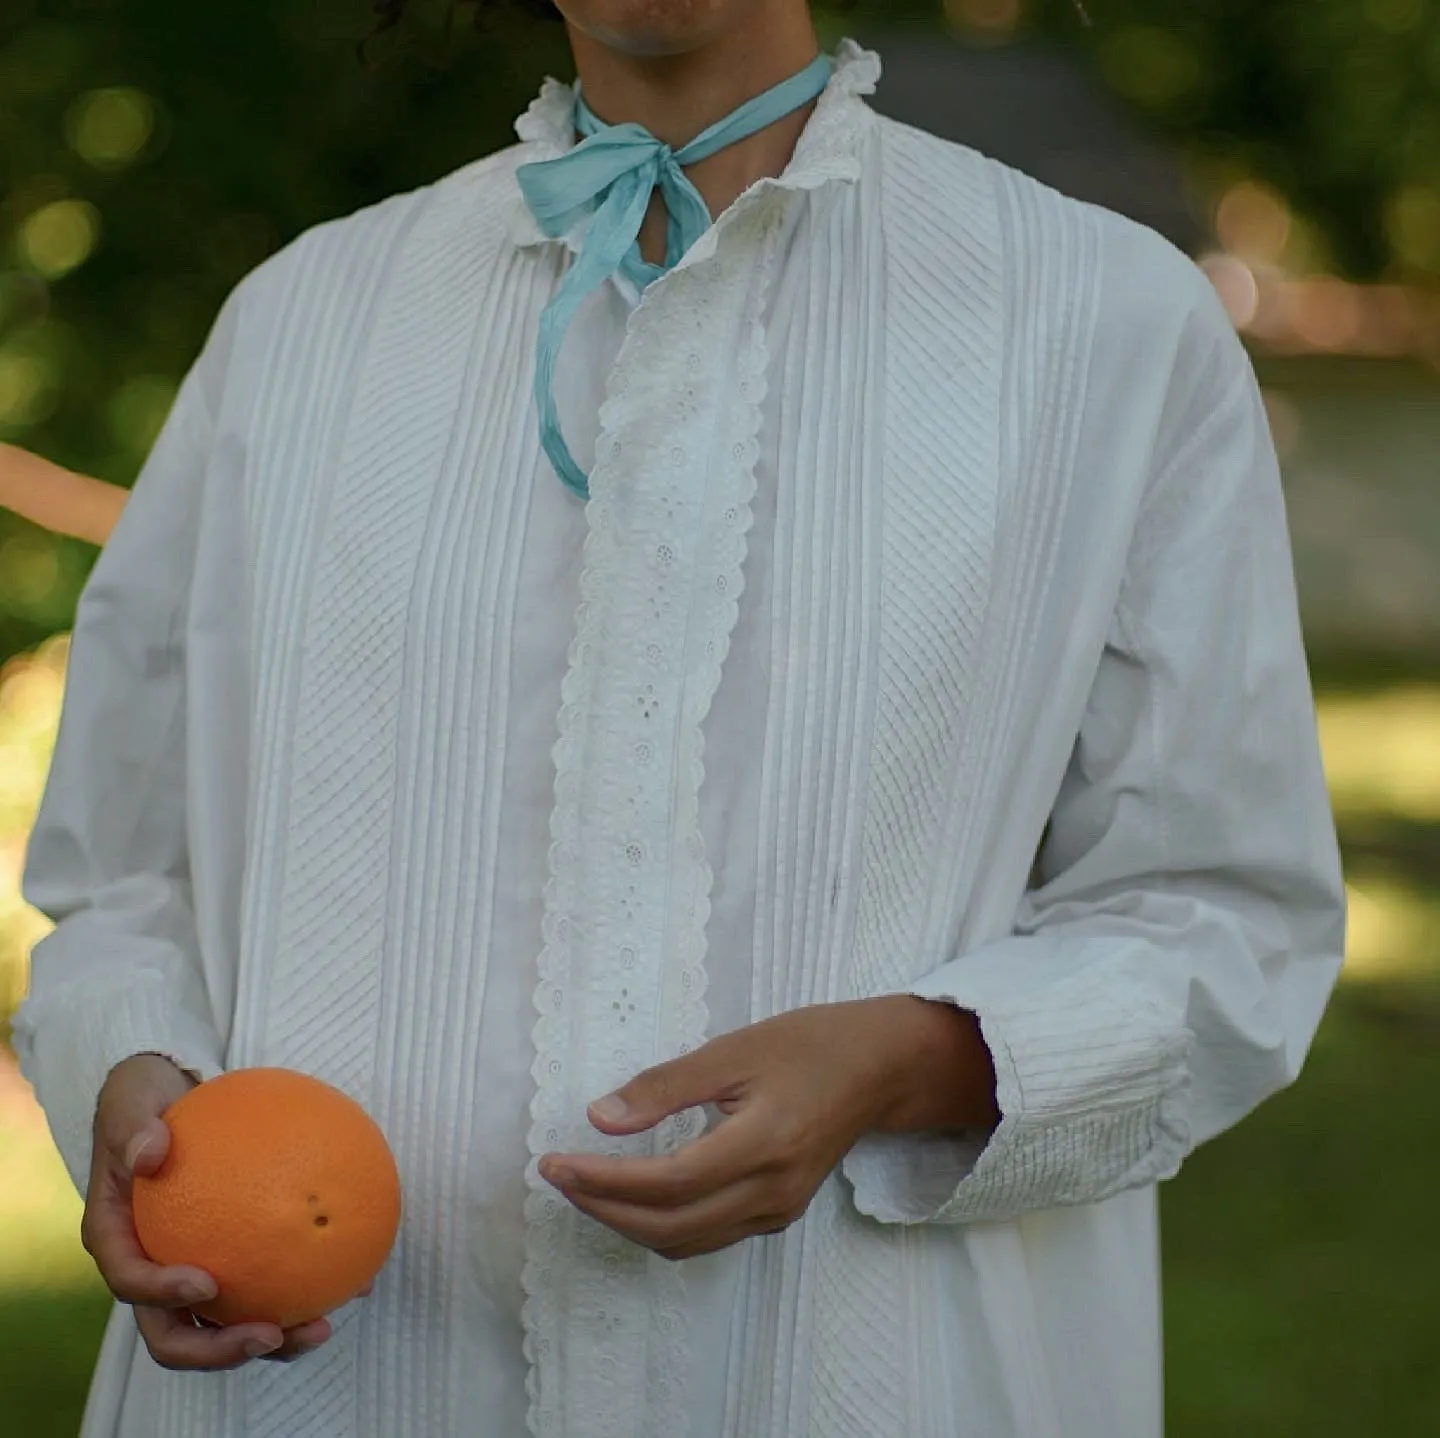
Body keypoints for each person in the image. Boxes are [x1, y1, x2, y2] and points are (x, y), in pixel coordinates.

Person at [13, 2, 1346, 1435]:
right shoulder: (299, 328)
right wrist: (140, 1085)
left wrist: (910, 1056)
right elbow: (120, 883)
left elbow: (1226, 915)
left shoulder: (1109, 329)